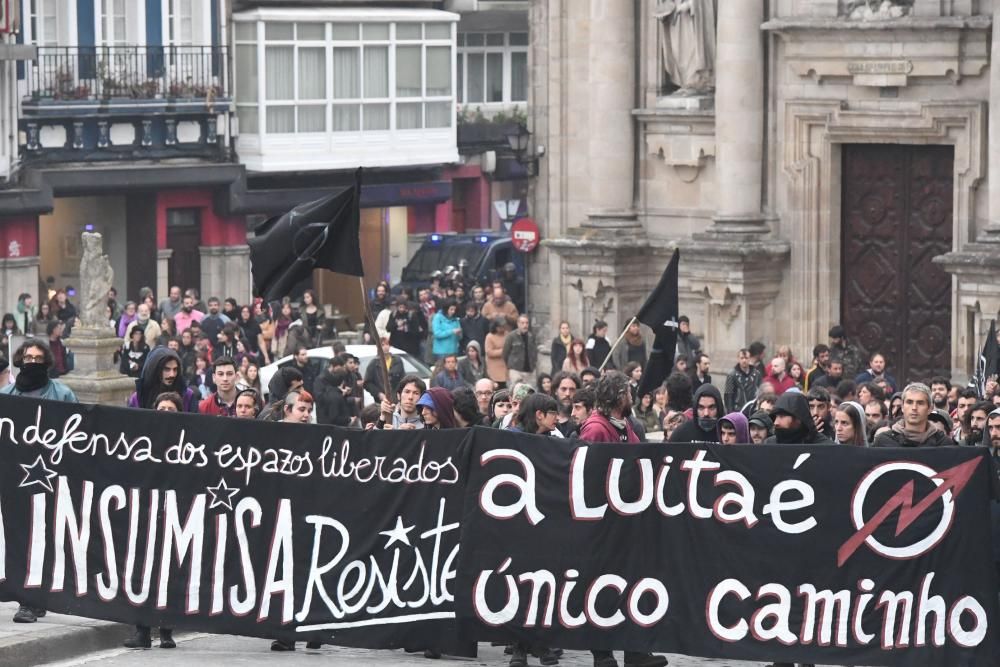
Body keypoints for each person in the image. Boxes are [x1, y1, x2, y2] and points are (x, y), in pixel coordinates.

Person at [577, 372, 667, 667]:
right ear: (618, 397)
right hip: (605, 525)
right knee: (603, 588)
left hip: (628, 522)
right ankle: (602, 653)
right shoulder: (595, 430)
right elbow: (589, 477)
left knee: (632, 584)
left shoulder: (627, 425)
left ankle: (635, 652)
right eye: (627, 392)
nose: (631, 396)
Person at [3, 339, 77, 623]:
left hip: (51, 479)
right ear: (20, 360)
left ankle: (38, 597)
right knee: (20, 540)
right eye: (27, 357)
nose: (32, 362)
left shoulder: (62, 394)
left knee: (46, 539)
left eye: (37, 357)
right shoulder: (7, 394)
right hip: (15, 482)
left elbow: (78, 434)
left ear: (47, 362)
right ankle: (27, 599)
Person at [873, 383, 953, 447]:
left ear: (930, 409)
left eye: (920, 403)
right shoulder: (883, 441)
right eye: (909, 402)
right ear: (902, 407)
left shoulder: (943, 443)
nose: (914, 408)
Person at [127, 347, 199, 412]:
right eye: (167, 369)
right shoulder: (138, 398)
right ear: (155, 370)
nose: (172, 374)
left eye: (175, 369)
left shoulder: (188, 396)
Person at [764, 392, 835, 445]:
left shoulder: (825, 447)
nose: (776, 422)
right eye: (775, 416)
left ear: (798, 419)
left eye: (782, 416)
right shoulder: (770, 444)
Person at [363, 337, 406, 404]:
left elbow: (403, 379)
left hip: (397, 399)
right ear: (378, 347)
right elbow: (367, 383)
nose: (385, 347)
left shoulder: (397, 360)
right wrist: (378, 394)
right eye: (382, 345)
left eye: (387, 344)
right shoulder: (374, 363)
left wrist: (401, 393)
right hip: (382, 401)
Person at [503, 314, 538, 388]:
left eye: (527, 323)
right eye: (522, 323)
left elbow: (534, 352)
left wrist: (534, 363)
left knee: (530, 391)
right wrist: (510, 365)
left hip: (529, 371)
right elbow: (505, 353)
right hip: (515, 370)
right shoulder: (511, 336)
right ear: (518, 324)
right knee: (516, 390)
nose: (525, 325)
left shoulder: (531, 336)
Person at [724, 348, 761, 413]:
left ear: (750, 358)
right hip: (738, 410)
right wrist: (730, 412)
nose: (744, 360)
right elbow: (728, 396)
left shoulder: (756, 374)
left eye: (746, 358)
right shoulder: (732, 375)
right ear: (738, 359)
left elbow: (760, 391)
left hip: (752, 409)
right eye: (742, 358)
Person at [552, 371, 581, 437]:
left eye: (572, 390)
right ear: (556, 391)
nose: (567, 394)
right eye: (563, 389)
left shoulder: (580, 421)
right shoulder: (547, 420)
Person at [484, 319, 509, 389]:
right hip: (494, 367)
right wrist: (503, 351)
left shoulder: (507, 334)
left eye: (504, 327)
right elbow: (489, 352)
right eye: (501, 327)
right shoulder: (489, 337)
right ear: (496, 327)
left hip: (506, 367)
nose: (503, 329)